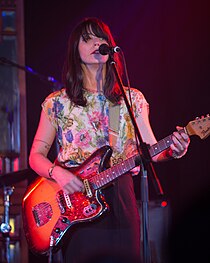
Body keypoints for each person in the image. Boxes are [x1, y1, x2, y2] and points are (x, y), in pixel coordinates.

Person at [28, 17, 190, 262]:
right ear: (75, 50)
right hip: (76, 202)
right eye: (87, 39)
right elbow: (35, 156)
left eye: (101, 38)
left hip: (121, 199)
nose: (96, 43)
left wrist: (175, 149)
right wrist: (58, 173)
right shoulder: (57, 103)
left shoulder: (131, 99)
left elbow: (153, 151)